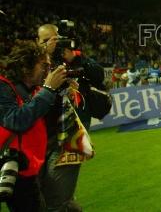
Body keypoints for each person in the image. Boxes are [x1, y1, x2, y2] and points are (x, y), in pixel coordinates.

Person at [37, 23, 110, 211]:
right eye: (45, 41)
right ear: (38, 42)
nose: (51, 44)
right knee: (50, 194)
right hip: (43, 132)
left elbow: (98, 75)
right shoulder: (35, 63)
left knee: (58, 198)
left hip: (72, 128)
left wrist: (77, 57)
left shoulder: (71, 57)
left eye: (54, 39)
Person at [0, 40, 67, 211]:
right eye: (43, 65)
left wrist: (64, 92)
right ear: (25, 66)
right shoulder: (3, 86)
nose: (48, 69)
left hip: (25, 168)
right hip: (11, 167)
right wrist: (48, 90)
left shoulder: (33, 89)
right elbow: (15, 120)